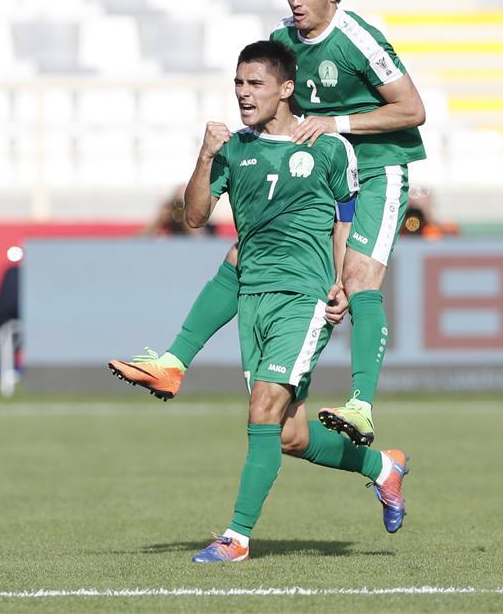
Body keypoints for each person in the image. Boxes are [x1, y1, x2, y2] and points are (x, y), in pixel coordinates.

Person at [113, 0, 426, 448]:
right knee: (247, 252)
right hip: (313, 169)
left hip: (374, 169)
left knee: (360, 277)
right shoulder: (284, 40)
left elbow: (412, 110)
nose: (296, 0)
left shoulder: (357, 40)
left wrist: (335, 123)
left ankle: (362, 405)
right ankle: (173, 362)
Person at [109, 42, 409, 562]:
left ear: (286, 89)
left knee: (262, 407)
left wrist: (340, 280)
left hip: (303, 300)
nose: (244, 95)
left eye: (255, 84)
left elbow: (343, 220)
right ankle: (383, 468)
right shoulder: (233, 149)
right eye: (238, 85)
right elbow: (196, 216)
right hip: (253, 301)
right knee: (290, 435)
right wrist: (204, 156)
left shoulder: (328, 148)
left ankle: (237, 537)